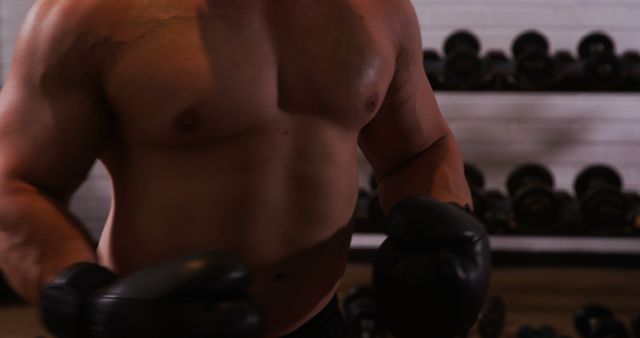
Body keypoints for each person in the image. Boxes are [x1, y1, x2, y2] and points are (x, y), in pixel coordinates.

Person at [0, 0, 490, 337]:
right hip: (153, 326)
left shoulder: (378, 10)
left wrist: (443, 223)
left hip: (316, 324)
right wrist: (86, 303)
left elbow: (420, 150)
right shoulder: (89, 15)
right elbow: (14, 184)